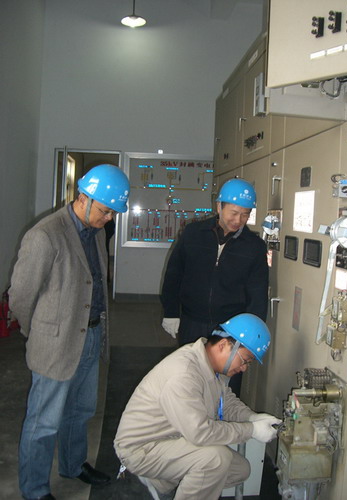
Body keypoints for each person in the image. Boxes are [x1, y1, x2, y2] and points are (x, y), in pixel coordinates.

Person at [9, 164, 130, 500]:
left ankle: (73, 465)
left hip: (91, 336)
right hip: (56, 344)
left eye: (112, 213)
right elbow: (20, 297)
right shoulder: (45, 235)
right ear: (83, 198)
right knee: (44, 422)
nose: (109, 219)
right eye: (105, 211)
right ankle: (35, 489)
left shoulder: (97, 232)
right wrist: (40, 334)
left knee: (81, 411)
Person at [114, 312, 281, 500]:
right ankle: (148, 474)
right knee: (216, 460)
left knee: (239, 470)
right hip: (142, 447)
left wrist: (251, 417)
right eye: (245, 360)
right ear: (223, 345)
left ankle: (159, 481)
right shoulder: (183, 374)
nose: (244, 368)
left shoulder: (211, 364)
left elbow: (226, 401)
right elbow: (200, 433)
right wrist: (251, 430)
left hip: (174, 436)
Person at [161, 178, 268, 347]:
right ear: (219, 206)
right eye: (234, 213)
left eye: (245, 214)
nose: (238, 220)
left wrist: (253, 331)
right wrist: (171, 312)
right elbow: (174, 274)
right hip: (192, 322)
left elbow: (258, 295)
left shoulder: (255, 247)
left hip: (231, 328)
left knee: (224, 366)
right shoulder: (193, 234)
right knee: (191, 364)